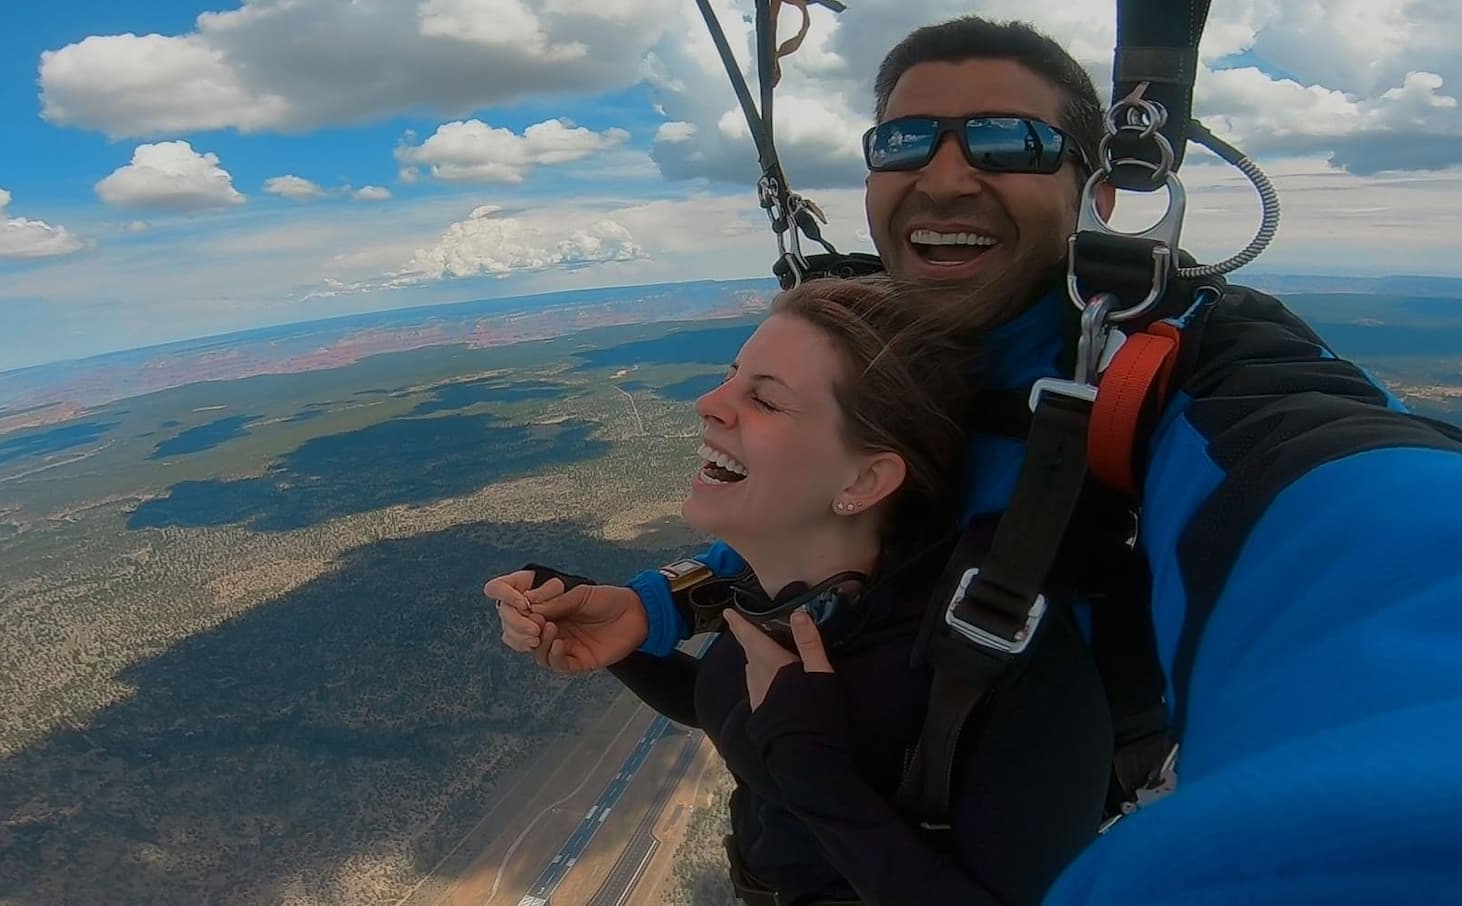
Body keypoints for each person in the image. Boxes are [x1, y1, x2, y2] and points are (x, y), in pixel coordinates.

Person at [498, 15, 1462, 905]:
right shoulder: (880, 350)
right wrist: (660, 607)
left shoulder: (1184, 372)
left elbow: (1371, 534)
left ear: (1101, 188)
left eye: (1008, 142)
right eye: (905, 142)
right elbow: (829, 518)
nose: (946, 178)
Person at [488, 275, 1116, 905]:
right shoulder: (787, 604)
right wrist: (623, 640)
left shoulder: (1001, 669)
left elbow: (797, 737)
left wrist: (814, 772)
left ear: (865, 480)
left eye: (764, 400)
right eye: (731, 375)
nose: (709, 402)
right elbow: (758, 714)